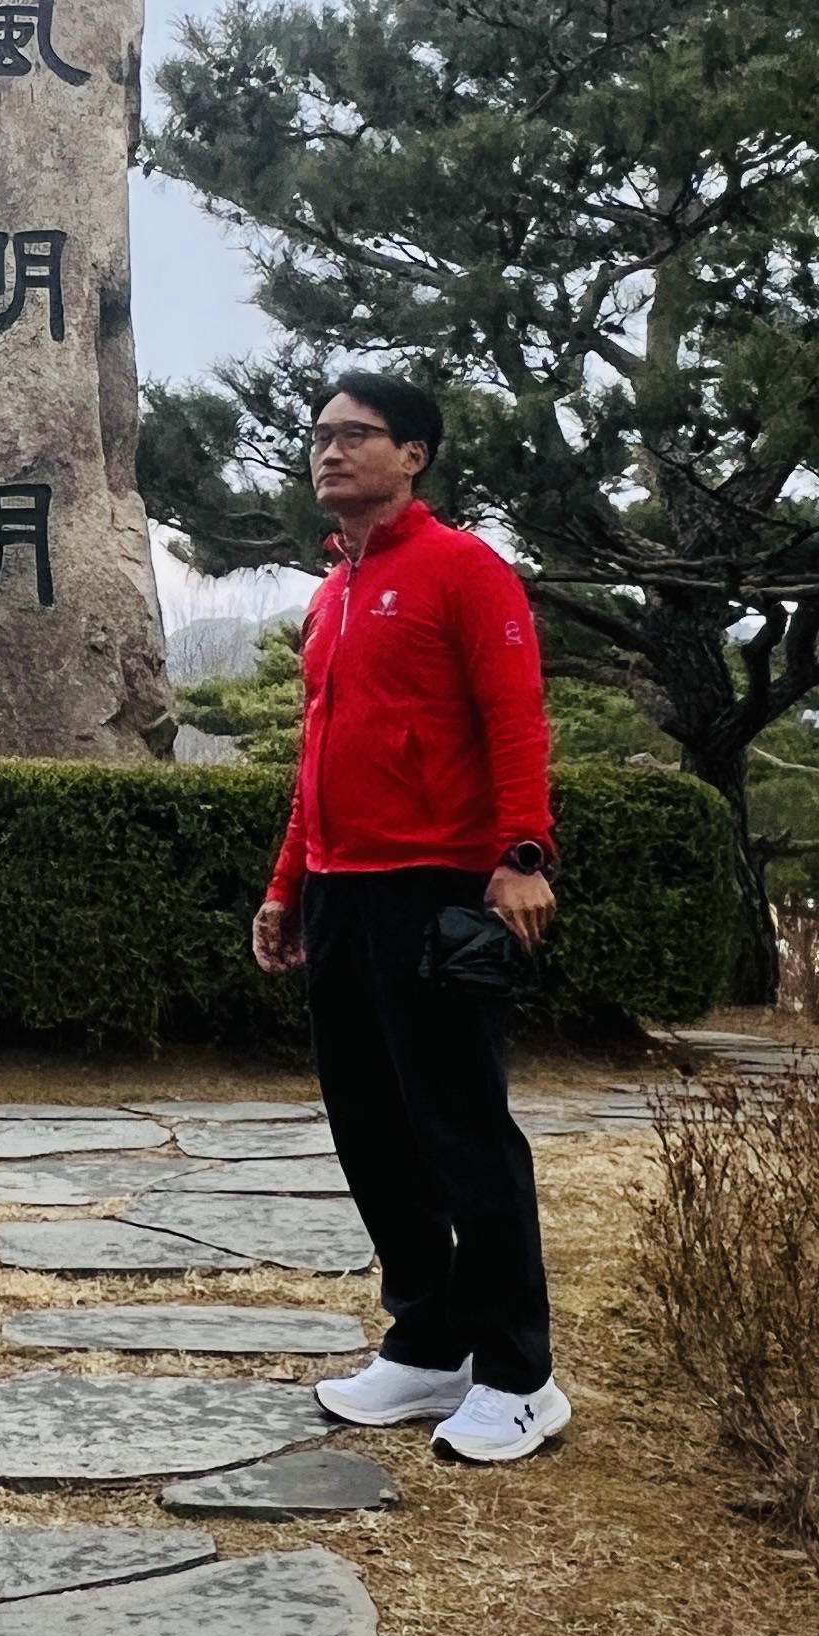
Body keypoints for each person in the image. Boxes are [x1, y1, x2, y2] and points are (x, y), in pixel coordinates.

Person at [248, 369, 570, 1466]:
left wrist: (522, 856)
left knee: (461, 1131)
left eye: (357, 434)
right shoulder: (332, 593)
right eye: (320, 435)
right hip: (342, 891)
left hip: (437, 889)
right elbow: (318, 755)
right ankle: (430, 1342)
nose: (330, 450)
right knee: (373, 1132)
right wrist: (289, 883)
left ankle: (520, 1376)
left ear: (414, 455)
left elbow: (514, 718)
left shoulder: (464, 570)